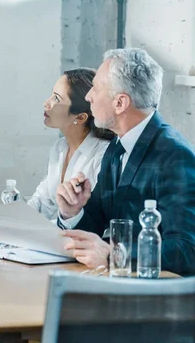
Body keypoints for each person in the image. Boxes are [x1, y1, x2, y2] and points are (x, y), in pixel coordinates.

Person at [56, 48, 195, 276]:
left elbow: (187, 250)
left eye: (96, 88)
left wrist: (115, 256)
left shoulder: (175, 156)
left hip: (156, 300)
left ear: (120, 103)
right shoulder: (117, 146)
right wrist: (72, 212)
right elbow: (97, 224)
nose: (89, 96)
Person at [0, 68, 113, 219]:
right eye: (51, 94)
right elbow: (40, 204)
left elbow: (96, 220)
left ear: (80, 117)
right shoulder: (59, 148)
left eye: (56, 98)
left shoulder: (102, 156)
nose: (46, 103)